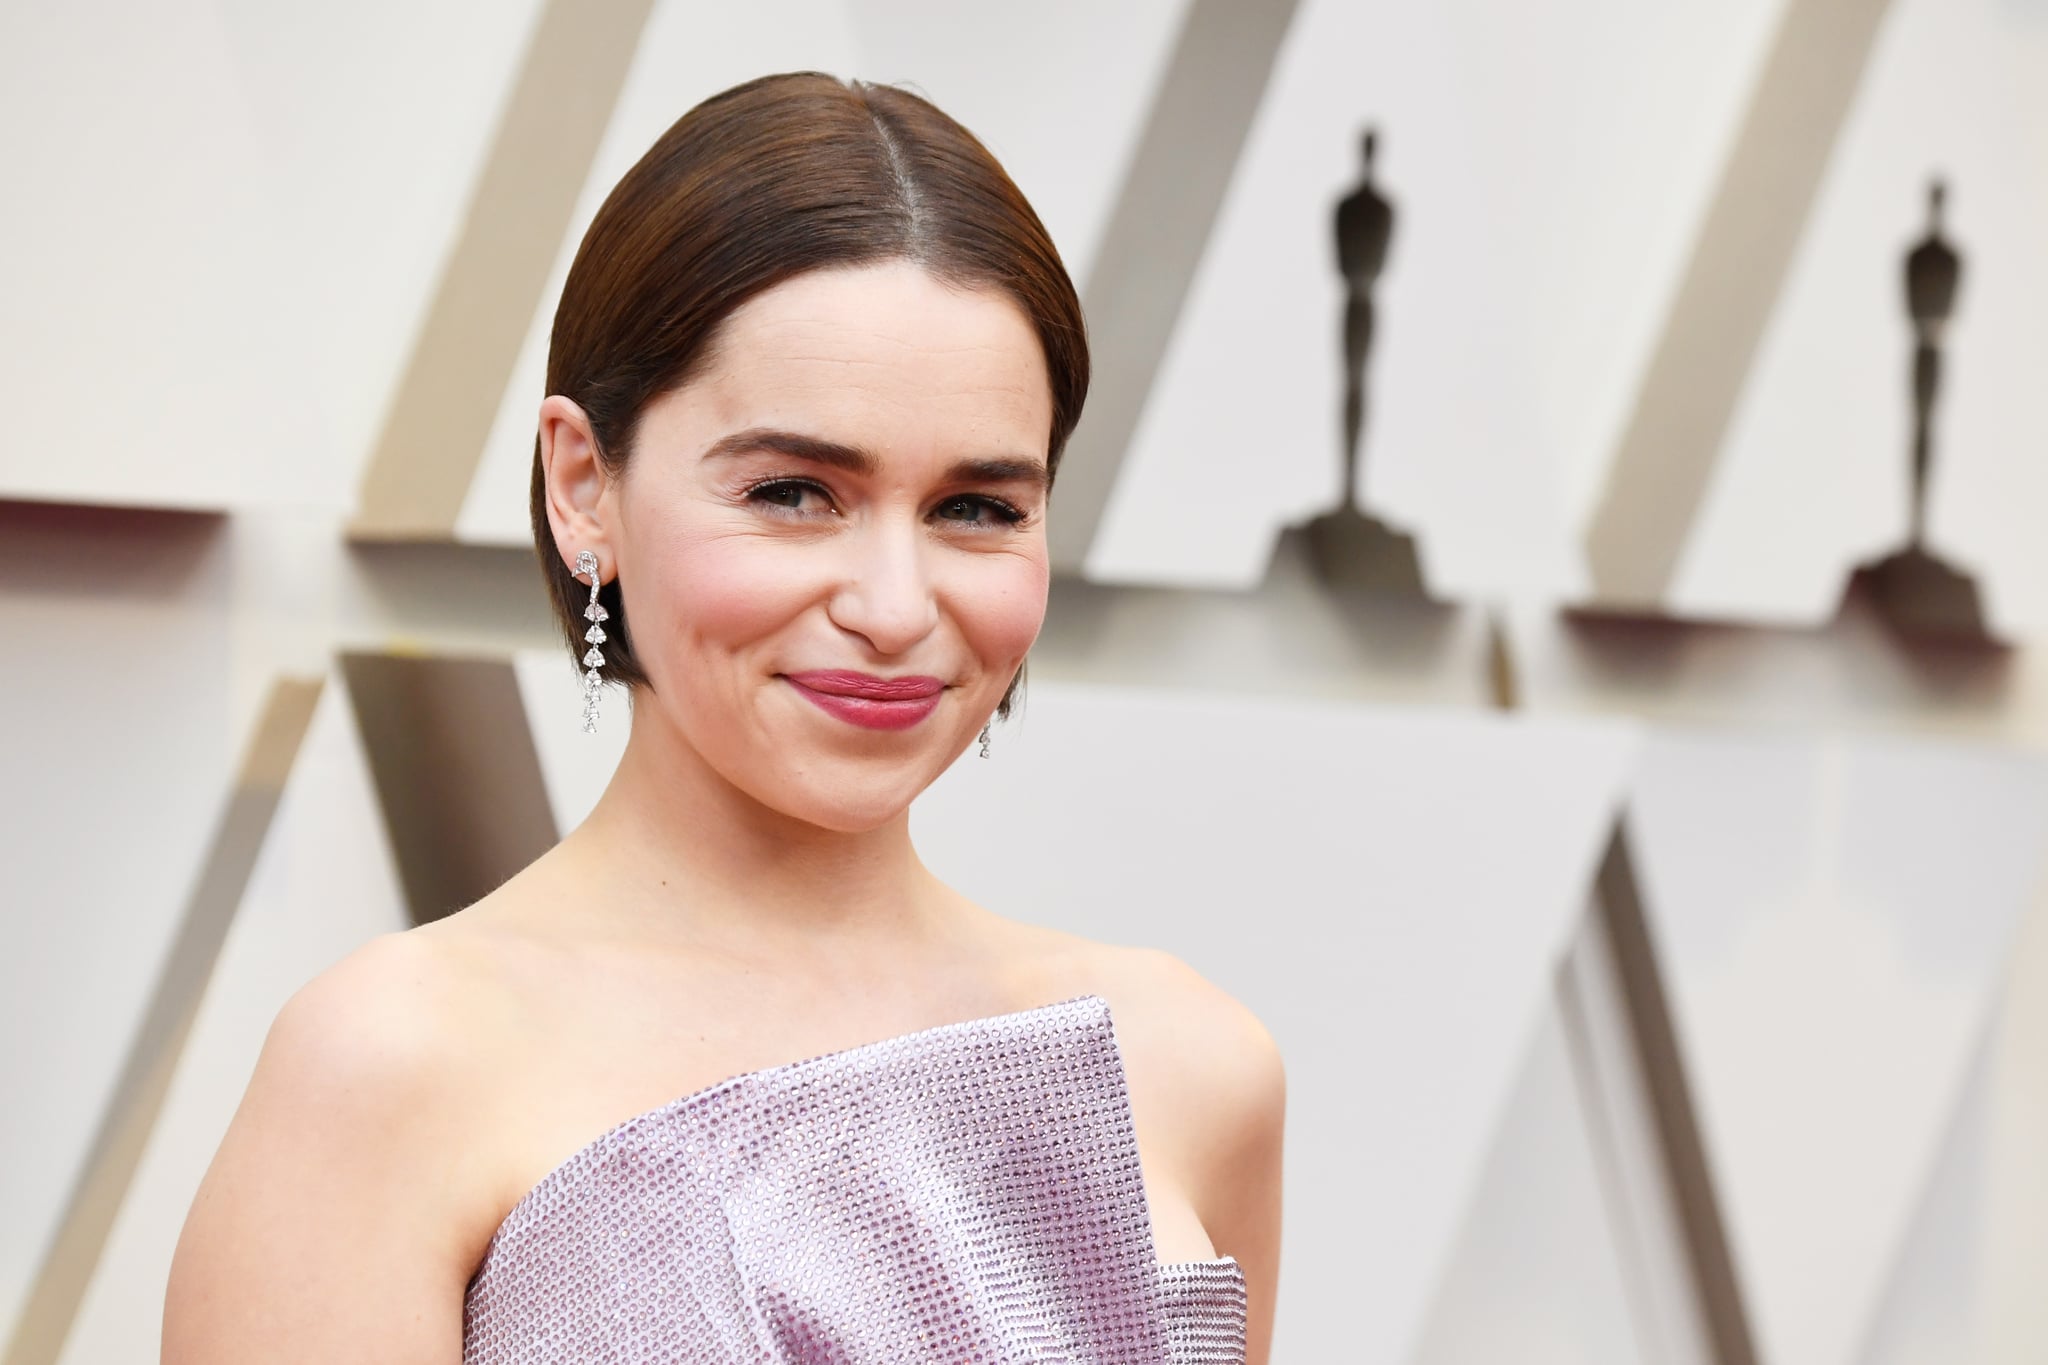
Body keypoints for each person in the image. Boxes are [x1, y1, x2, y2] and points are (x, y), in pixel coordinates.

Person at [163, 72, 1284, 1364]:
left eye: (976, 508)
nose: (891, 603)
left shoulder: (1193, 1068)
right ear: (583, 485)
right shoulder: (388, 1070)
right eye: (796, 491)